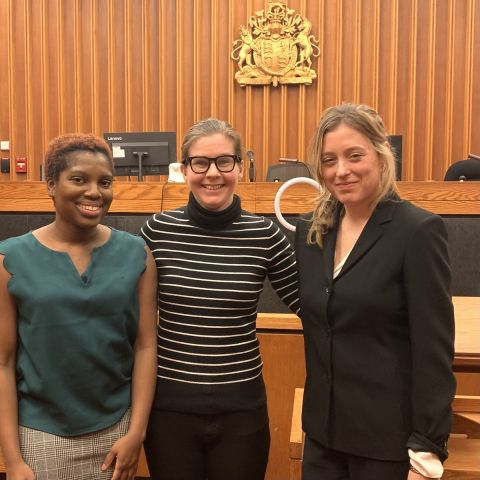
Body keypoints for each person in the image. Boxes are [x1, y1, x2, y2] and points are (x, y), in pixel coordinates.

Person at [295, 103, 456, 480]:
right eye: (329, 160)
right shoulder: (311, 231)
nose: (341, 171)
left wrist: (427, 448)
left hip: (388, 444)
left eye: (354, 156)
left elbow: (433, 348)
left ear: (381, 155)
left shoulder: (417, 231)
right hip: (323, 438)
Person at [141, 118, 300, 480]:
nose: (212, 173)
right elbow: (132, 318)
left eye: (224, 161)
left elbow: (312, 306)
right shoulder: (157, 231)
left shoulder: (265, 236)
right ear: (184, 170)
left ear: (240, 168)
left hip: (241, 411)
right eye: (200, 162)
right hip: (169, 409)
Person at [0, 133, 158, 480]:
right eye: (78, 179)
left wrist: (136, 433)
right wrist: (12, 459)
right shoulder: (10, 259)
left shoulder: (137, 254)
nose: (94, 192)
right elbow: (4, 362)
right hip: (41, 434)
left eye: (104, 182)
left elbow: (145, 345)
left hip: (116, 432)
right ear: (51, 185)